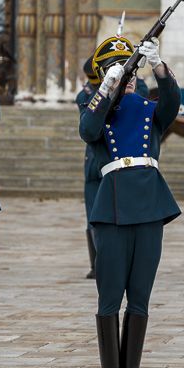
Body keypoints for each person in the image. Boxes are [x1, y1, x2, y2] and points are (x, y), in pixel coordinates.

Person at [79, 35, 180, 368]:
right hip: (114, 204)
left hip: (150, 203)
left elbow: (172, 102)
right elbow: (87, 131)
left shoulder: (148, 108)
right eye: (121, 72)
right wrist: (105, 91)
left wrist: (160, 68)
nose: (129, 77)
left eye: (131, 71)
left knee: (140, 292)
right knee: (110, 292)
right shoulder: (99, 109)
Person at [77, 56, 102, 279]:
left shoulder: (83, 95)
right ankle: (101, 263)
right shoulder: (100, 97)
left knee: (92, 213)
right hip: (105, 162)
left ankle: (96, 265)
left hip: (91, 162)